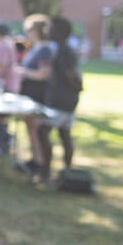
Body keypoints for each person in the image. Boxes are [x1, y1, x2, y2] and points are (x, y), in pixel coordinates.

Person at [37, 16, 82, 184]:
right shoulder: (62, 49)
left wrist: (76, 88)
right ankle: (66, 172)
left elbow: (73, 75)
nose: (46, 31)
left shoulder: (64, 51)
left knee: (44, 131)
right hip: (63, 99)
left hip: (61, 101)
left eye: (49, 28)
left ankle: (47, 172)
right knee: (64, 134)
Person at [18, 14, 54, 173]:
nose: (28, 32)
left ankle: (41, 164)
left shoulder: (45, 48)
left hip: (38, 94)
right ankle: (35, 160)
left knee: (37, 130)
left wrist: (23, 72)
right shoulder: (35, 47)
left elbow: (45, 73)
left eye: (30, 29)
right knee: (31, 129)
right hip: (29, 92)